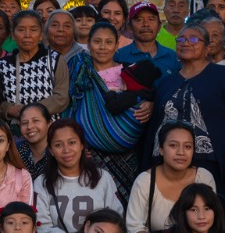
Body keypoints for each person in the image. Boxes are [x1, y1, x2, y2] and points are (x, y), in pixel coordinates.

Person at [146, 23, 225, 205]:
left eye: (194, 39)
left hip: (208, 162)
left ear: (207, 48)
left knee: (208, 212)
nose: (186, 43)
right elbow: (155, 124)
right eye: (181, 40)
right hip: (167, 163)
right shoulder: (167, 81)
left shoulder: (222, 75)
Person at [56, 20, 155, 194]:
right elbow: (69, 109)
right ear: (88, 44)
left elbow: (147, 94)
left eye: (109, 42)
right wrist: (75, 144)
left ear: (117, 45)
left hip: (128, 157)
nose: (102, 47)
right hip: (90, 156)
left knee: (123, 206)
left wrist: (150, 104)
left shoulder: (130, 72)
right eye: (97, 41)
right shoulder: (79, 73)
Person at [127, 124, 218, 233]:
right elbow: (134, 228)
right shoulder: (145, 181)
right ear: (161, 149)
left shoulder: (203, 177)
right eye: (173, 145)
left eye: (187, 146)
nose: (181, 152)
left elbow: (211, 220)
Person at [35, 120, 122, 233]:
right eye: (58, 145)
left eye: (72, 143)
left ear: (82, 145)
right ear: (51, 150)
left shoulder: (102, 178)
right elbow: (42, 226)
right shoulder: (42, 183)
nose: (66, 150)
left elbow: (116, 217)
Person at [0, 10, 59, 121]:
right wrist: (8, 109)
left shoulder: (54, 59)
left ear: (41, 35)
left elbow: (61, 97)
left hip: (49, 130)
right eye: (21, 30)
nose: (27, 35)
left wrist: (29, 111)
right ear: (13, 34)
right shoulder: (3, 65)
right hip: (15, 132)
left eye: (33, 30)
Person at [116, 1, 180, 74]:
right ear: (130, 27)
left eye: (151, 19)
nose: (146, 24)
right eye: (139, 20)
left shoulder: (172, 57)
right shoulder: (119, 56)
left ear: (159, 26)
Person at [13, 102, 53, 182]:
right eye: (24, 123)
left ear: (49, 124)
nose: (30, 126)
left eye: (36, 121)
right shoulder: (15, 152)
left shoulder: (57, 151)